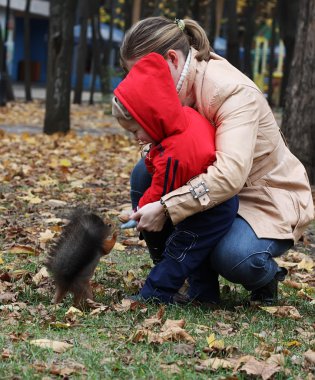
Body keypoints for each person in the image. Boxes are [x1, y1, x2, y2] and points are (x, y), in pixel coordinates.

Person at [116, 16, 314, 305]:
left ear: (172, 59)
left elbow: (229, 176)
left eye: (141, 75)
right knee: (142, 176)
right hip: (213, 193)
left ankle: (265, 276)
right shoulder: (171, 92)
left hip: (262, 196)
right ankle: (176, 276)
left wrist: (166, 207)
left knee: (232, 256)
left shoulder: (231, 92)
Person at [112, 52, 238, 304]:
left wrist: (138, 212)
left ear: (153, 117)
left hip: (210, 208)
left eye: (136, 129)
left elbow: (160, 193)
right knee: (195, 251)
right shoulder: (183, 118)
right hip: (208, 199)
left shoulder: (173, 154)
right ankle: (204, 296)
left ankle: (154, 294)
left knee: (180, 250)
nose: (136, 137)